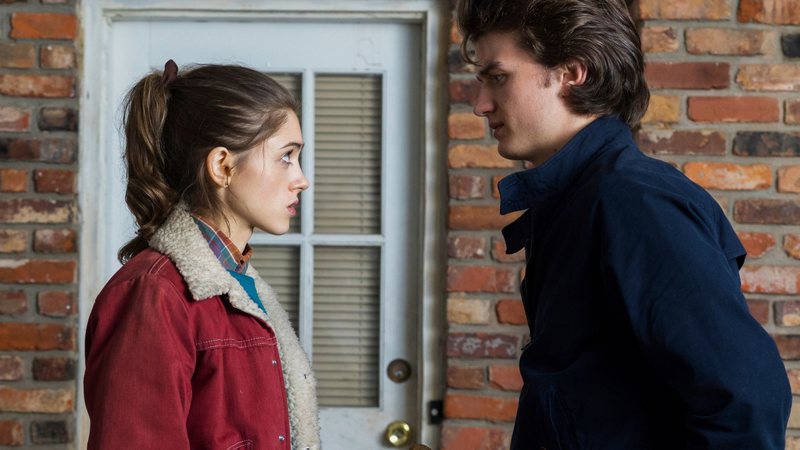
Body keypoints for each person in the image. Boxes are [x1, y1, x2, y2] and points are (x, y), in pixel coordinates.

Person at [456, 0, 791, 448]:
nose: (480, 105)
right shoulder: (578, 200)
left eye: (498, 78)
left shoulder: (634, 203)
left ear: (574, 72)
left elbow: (746, 402)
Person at [83, 61, 319, 449]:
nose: (301, 179)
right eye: (285, 157)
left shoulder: (241, 285)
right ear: (222, 165)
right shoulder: (154, 294)